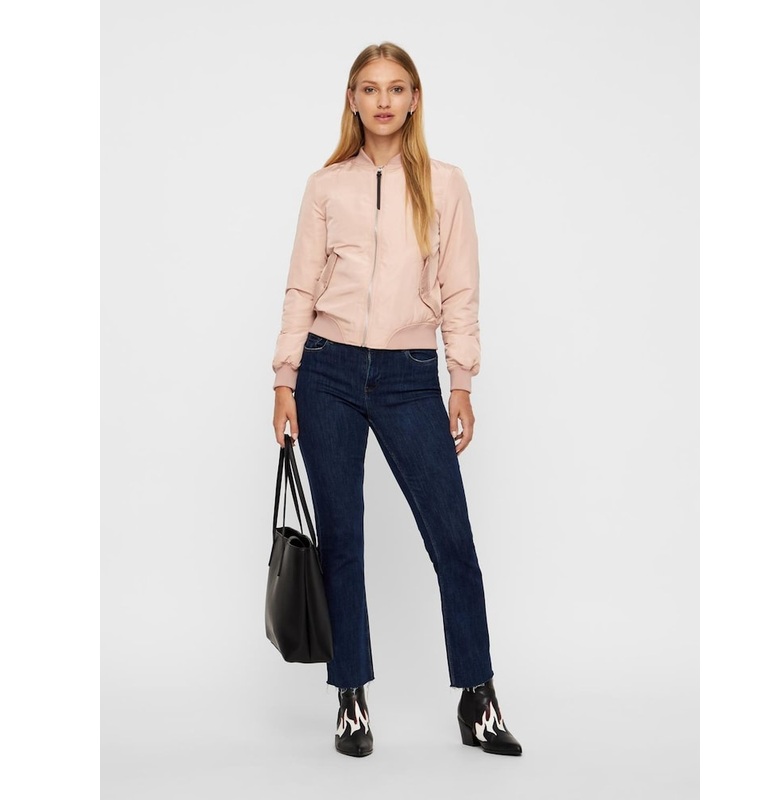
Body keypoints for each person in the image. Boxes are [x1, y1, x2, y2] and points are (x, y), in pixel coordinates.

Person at [271, 41, 522, 758]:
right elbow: (301, 284)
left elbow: (460, 289)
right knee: (342, 541)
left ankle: (478, 697)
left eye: (397, 87)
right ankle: (350, 697)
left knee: (452, 540)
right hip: (327, 371)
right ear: (352, 100)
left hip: (410, 374)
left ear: (414, 100)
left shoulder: (445, 184)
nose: (383, 100)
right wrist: (285, 377)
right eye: (370, 88)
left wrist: (461, 380)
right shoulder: (326, 187)